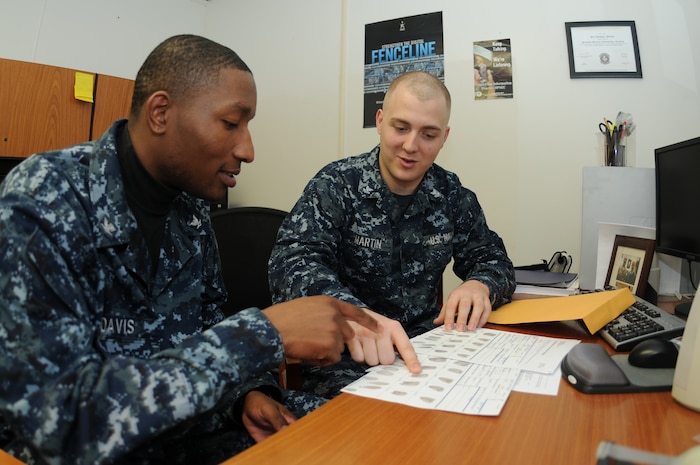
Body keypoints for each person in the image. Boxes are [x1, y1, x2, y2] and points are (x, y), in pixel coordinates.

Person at [0, 34, 418, 465]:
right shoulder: (45, 199)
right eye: (231, 123)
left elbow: (205, 328)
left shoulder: (191, 211)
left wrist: (247, 396)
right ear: (161, 113)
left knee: (370, 438)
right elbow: (61, 422)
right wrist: (265, 333)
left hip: (191, 430)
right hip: (95, 449)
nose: (248, 149)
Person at [268, 71, 516, 398]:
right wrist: (353, 315)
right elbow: (290, 265)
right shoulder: (337, 185)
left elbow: (494, 260)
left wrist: (480, 284)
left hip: (428, 348)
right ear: (380, 121)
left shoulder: (452, 194)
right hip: (347, 357)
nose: (411, 146)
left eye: (429, 134)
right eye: (401, 128)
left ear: (445, 137)